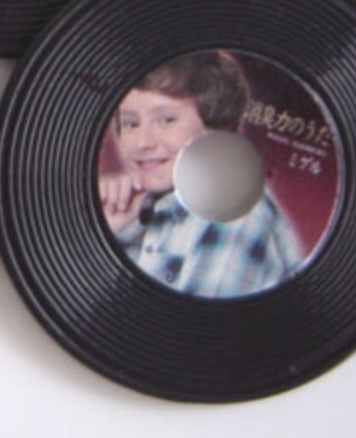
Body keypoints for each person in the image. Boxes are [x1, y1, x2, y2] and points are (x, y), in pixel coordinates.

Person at [99, 51, 302, 298]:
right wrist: (108, 232)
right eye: (131, 124)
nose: (142, 142)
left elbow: (189, 324)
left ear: (214, 129)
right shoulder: (151, 211)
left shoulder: (232, 213)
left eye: (167, 120)